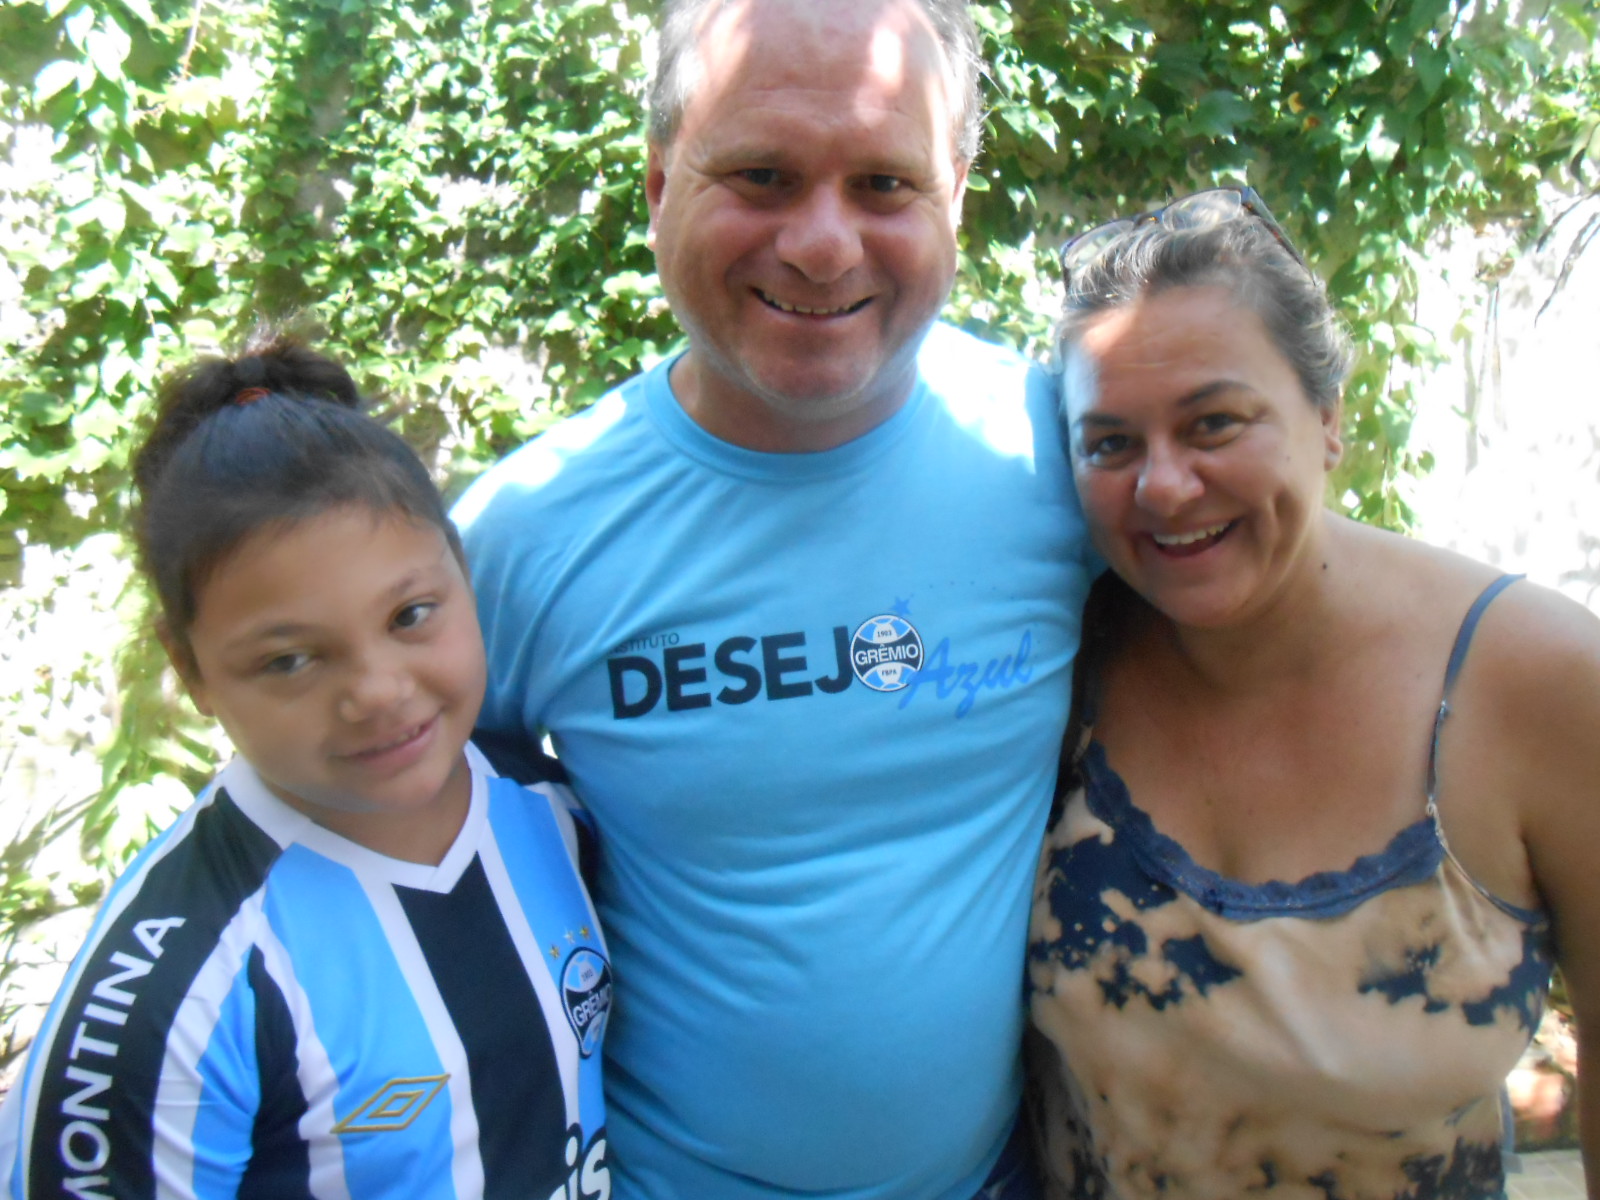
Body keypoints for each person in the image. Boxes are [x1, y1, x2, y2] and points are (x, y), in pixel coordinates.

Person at [452, 0, 1096, 1196]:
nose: (820, 244)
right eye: (760, 174)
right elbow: (345, 844)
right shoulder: (523, 538)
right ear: (657, 186)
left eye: (884, 185)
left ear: (953, 189)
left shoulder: (1062, 459)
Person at [1027, 187, 1600, 1200]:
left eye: (1213, 422)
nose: (1161, 486)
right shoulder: (1047, 666)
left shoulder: (1538, 682)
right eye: (1109, 443)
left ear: (1328, 418)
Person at [0, 337, 611, 1199]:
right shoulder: (170, 995)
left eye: (410, 614)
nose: (377, 691)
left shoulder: (555, 809)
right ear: (191, 671)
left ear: (463, 575)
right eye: (290, 660)